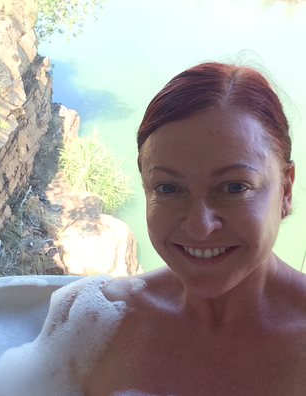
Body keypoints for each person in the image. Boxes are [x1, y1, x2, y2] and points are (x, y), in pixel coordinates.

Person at [78, 62, 306, 396]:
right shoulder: (94, 325)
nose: (200, 228)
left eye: (234, 188)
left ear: (285, 191)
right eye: (168, 189)